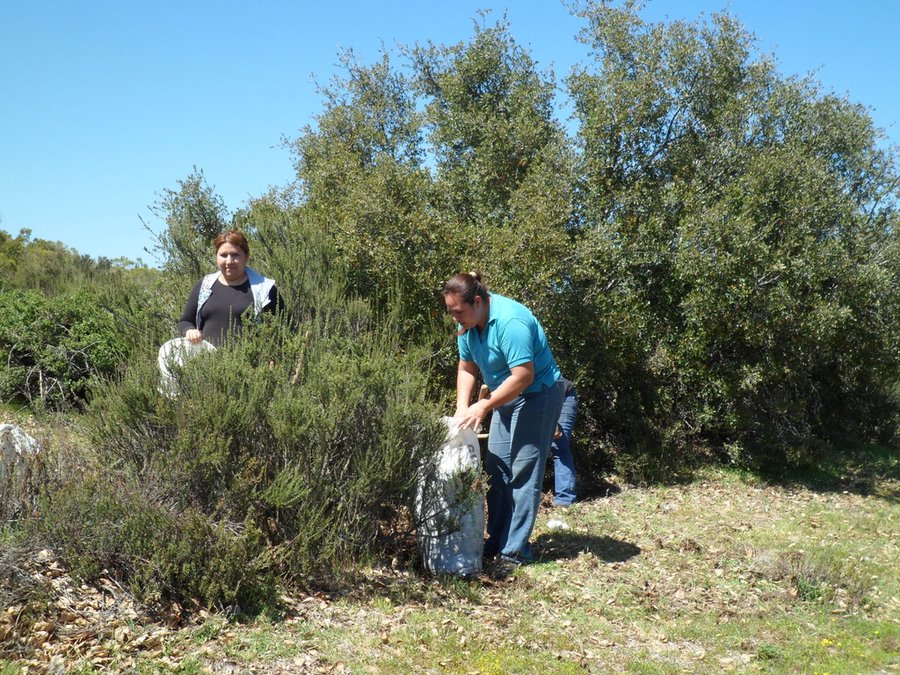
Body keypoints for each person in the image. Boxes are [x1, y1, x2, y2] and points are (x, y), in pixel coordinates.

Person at [444, 271, 565, 566]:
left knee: (523, 471)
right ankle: (496, 541)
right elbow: (466, 368)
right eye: (450, 313)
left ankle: (514, 552)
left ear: (477, 301)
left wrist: (483, 406)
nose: (454, 319)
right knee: (496, 470)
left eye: (458, 312)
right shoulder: (468, 327)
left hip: (538, 394)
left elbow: (523, 376)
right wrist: (464, 407)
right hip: (504, 396)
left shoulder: (511, 322)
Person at [178, 230, 282, 347]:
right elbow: (185, 321)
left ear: (246, 256)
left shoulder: (265, 289)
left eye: (235, 255)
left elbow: (283, 329)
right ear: (216, 257)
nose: (229, 261)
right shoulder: (205, 285)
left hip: (251, 363)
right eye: (223, 255)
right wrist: (189, 331)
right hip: (206, 362)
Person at [549, 379, 578, 507]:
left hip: (563, 396)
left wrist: (553, 423)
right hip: (545, 399)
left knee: (558, 445)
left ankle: (565, 498)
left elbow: (547, 393)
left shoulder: (527, 369)